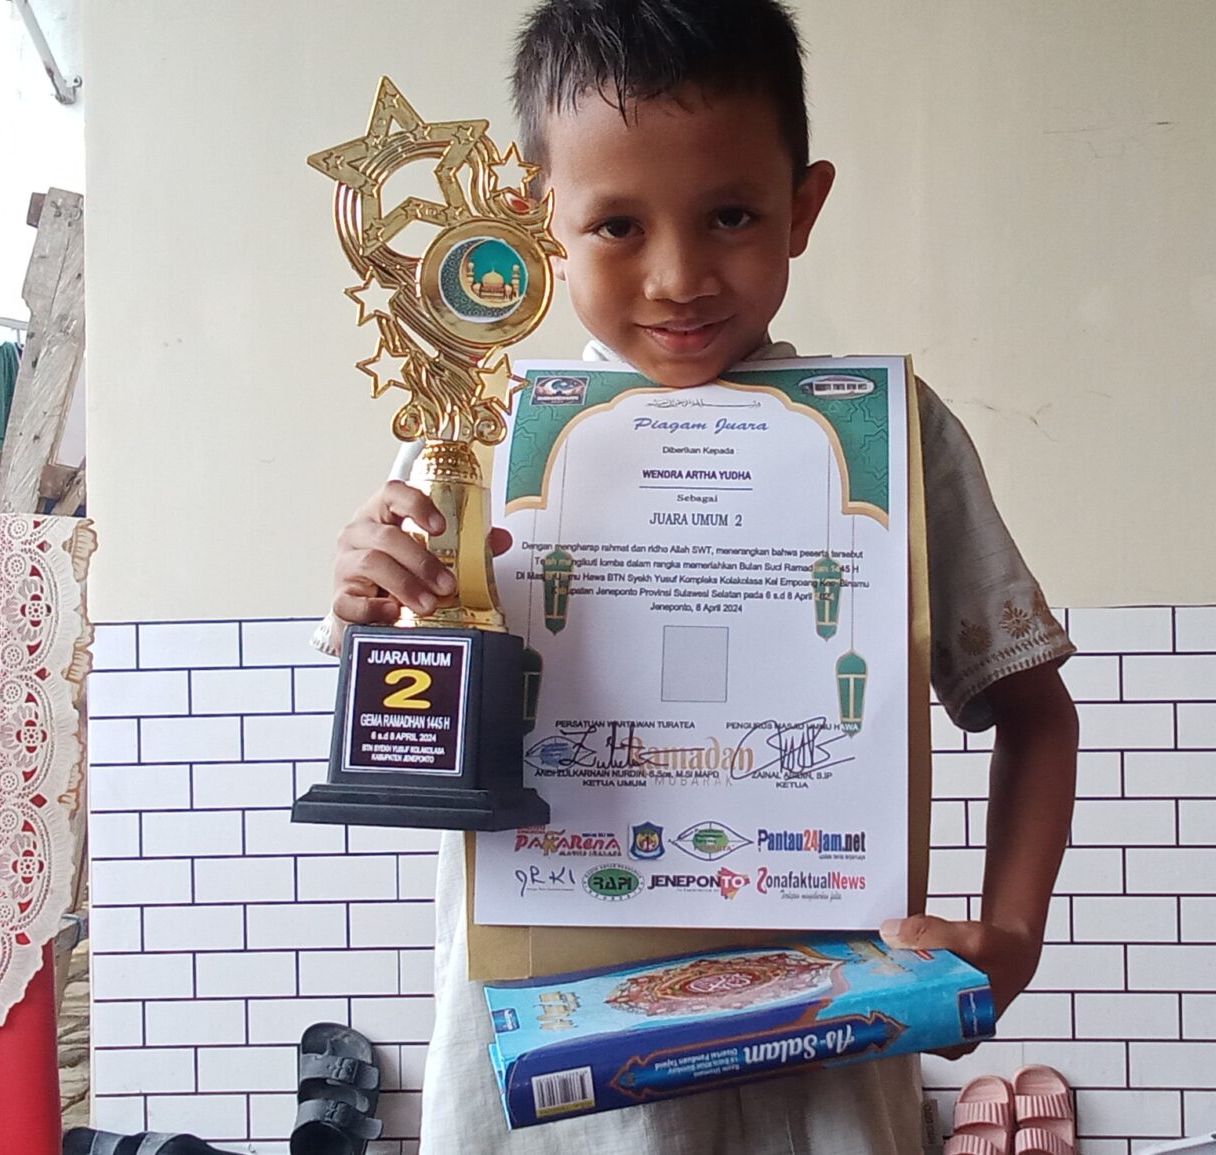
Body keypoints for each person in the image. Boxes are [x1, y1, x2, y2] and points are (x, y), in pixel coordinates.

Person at [320, 1, 1081, 1149]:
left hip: (817, 1080)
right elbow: (405, 731)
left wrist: (1012, 940)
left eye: (730, 214)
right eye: (617, 224)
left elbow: (1034, 711)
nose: (678, 277)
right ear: (538, 218)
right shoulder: (473, 443)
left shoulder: (892, 439)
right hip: (546, 1089)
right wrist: (376, 603)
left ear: (802, 208)